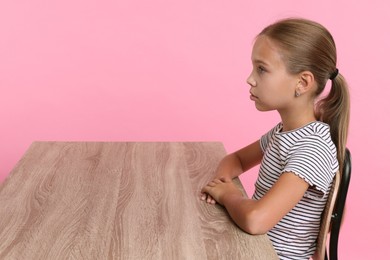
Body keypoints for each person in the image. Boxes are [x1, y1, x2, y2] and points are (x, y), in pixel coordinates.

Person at [200, 18, 350, 260]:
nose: (250, 79)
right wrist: (221, 182)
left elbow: (256, 220)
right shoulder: (285, 132)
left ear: (302, 83)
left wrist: (227, 195)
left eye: (262, 68)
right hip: (253, 247)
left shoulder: (313, 148)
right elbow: (236, 159)